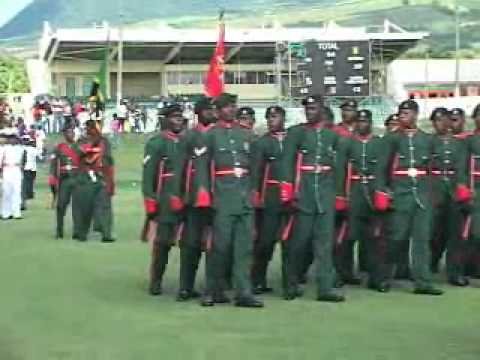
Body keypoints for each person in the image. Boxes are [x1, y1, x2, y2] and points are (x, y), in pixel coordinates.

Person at [374, 100, 447, 295]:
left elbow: (434, 168)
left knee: (422, 240)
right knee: (395, 238)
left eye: (407, 113)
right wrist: (382, 191)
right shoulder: (391, 139)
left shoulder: (427, 139)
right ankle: (382, 277)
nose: (402, 116)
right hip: (400, 193)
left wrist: (434, 193)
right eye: (400, 113)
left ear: (415, 114)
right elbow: (381, 168)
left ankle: (423, 282)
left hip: (422, 195)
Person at [197, 93, 263, 308]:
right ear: (218, 110)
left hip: (244, 197)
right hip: (223, 197)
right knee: (220, 247)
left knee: (244, 248)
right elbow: (203, 167)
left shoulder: (245, 134)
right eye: (227, 107)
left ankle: (243, 292)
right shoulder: (210, 135)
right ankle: (212, 290)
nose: (231, 110)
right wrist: (204, 193)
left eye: (233, 106)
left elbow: (254, 166)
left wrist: (254, 191)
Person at [280, 94, 347, 302]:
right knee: (298, 243)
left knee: (325, 244)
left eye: (314, 109)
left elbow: (339, 166)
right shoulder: (296, 133)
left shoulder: (332, 136)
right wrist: (288, 189)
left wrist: (339, 194)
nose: (310, 112)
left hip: (325, 194)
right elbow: (287, 162)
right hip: (304, 194)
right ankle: (290, 284)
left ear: (322, 110)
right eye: (307, 109)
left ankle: (325, 288)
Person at [175, 96, 217, 301]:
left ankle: (215, 286)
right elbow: (179, 169)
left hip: (218, 199)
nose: (212, 113)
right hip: (194, 199)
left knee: (215, 245)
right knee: (190, 244)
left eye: (214, 110)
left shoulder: (220, 135)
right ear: (199, 113)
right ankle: (185, 287)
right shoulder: (189, 137)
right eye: (208, 110)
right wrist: (178, 195)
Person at [336, 109, 384, 289]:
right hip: (353, 192)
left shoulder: (379, 143)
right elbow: (340, 169)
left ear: (370, 122)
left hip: (372, 192)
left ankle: (375, 278)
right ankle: (343, 274)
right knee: (347, 237)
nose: (362, 124)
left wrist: (382, 192)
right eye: (359, 121)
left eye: (365, 121)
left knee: (374, 238)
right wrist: (340, 195)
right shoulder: (346, 143)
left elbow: (383, 169)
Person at [142, 102, 186, 296]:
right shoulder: (156, 143)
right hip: (166, 200)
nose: (179, 120)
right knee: (163, 242)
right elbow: (148, 174)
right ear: (165, 120)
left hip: (188, 197)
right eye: (175, 117)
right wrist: (150, 200)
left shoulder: (188, 140)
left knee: (190, 242)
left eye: (180, 117)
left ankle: (186, 284)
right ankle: (156, 280)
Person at [429, 108, 470, 286]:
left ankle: (455, 274)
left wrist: (462, 187)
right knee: (433, 234)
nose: (440, 124)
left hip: (453, 191)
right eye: (436, 121)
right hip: (434, 190)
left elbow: (462, 167)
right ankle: (429, 266)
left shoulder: (459, 143)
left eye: (443, 120)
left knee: (455, 235)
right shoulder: (429, 142)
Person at [250, 105, 287, 294]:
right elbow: (256, 171)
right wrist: (256, 195)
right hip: (270, 196)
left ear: (283, 118)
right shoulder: (262, 143)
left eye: (276, 116)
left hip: (291, 196)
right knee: (265, 241)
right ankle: (257, 279)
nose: (272, 120)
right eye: (269, 117)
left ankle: (291, 280)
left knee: (291, 240)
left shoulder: (292, 140)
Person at [73, 120, 115, 242]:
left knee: (105, 206)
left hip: (102, 177)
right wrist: (92, 145)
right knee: (85, 207)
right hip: (86, 178)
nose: (92, 130)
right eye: (90, 128)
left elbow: (108, 160)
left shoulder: (104, 142)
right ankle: (82, 233)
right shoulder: (82, 141)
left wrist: (110, 180)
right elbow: (80, 152)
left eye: (94, 127)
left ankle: (106, 233)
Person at [49, 127, 81, 239]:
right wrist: (52, 176)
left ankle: (77, 231)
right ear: (64, 135)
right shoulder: (59, 147)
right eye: (68, 133)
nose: (71, 135)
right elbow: (53, 163)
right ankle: (59, 231)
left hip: (77, 178)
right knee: (61, 206)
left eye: (72, 133)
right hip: (65, 179)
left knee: (78, 207)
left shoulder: (79, 147)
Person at [0, 131, 25, 220]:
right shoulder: (4, 148)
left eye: (14, 138)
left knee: (17, 191)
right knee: (6, 192)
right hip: (7, 169)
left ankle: (16, 213)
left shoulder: (20, 148)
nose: (12, 140)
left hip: (16, 169)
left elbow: (22, 159)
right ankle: (6, 213)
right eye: (10, 138)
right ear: (8, 139)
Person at [22, 135, 38, 208]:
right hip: (32, 167)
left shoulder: (22, 148)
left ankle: (28, 194)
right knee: (30, 182)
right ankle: (29, 194)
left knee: (27, 181)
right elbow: (38, 156)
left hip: (26, 167)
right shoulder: (32, 149)